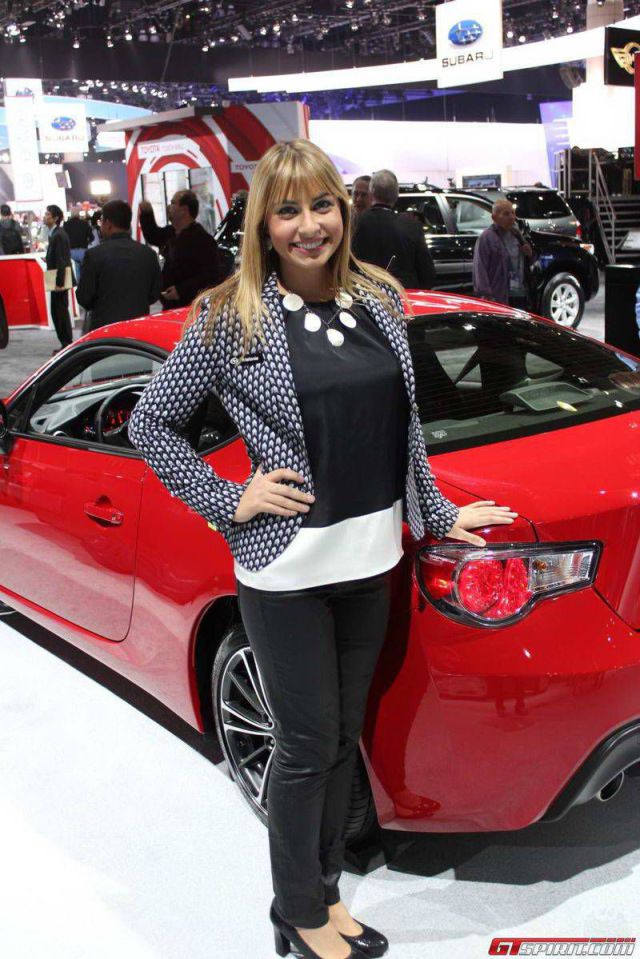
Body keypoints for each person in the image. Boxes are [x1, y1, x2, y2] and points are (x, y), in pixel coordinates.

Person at [128, 139, 516, 959]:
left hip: (369, 560)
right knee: (305, 746)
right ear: (263, 223)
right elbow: (149, 422)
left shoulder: (378, 299)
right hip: (286, 567)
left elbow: (403, 423)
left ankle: (327, 892)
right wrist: (230, 496)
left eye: (324, 205)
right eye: (289, 209)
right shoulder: (228, 314)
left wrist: (435, 510)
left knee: (343, 740)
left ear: (345, 209)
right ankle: (295, 909)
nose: (310, 226)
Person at [76, 200, 161, 332]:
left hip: (104, 330)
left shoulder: (94, 255)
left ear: (108, 224)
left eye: (101, 221)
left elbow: (84, 296)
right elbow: (154, 293)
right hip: (139, 329)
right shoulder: (148, 254)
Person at [352, 169, 436, 289]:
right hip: (404, 298)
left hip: (365, 298)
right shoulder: (412, 226)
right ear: (396, 195)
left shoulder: (354, 224)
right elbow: (428, 275)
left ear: (371, 193)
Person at [138, 189, 221, 309]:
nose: (169, 207)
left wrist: (181, 291)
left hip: (190, 307)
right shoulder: (171, 232)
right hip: (170, 305)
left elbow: (210, 276)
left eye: (173, 203)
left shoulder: (203, 240)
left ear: (184, 210)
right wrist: (147, 214)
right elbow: (153, 235)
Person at [472, 199, 534, 308]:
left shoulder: (517, 235)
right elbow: (480, 268)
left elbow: (528, 262)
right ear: (494, 218)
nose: (511, 217)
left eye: (513, 213)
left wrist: (529, 254)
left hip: (520, 294)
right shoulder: (486, 238)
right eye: (506, 214)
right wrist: (486, 295)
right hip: (499, 296)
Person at [44, 204, 73, 351]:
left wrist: (59, 282)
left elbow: (62, 259)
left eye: (48, 214)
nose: (45, 216)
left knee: (60, 312)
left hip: (59, 280)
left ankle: (66, 343)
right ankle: (65, 343)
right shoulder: (56, 234)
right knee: (57, 312)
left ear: (55, 218)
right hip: (57, 277)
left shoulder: (59, 235)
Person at [63, 210, 92, 282]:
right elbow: (92, 237)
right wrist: (87, 242)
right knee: (85, 271)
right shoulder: (84, 223)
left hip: (71, 251)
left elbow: (64, 238)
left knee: (76, 271)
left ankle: (78, 287)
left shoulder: (66, 225)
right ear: (79, 215)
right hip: (83, 250)